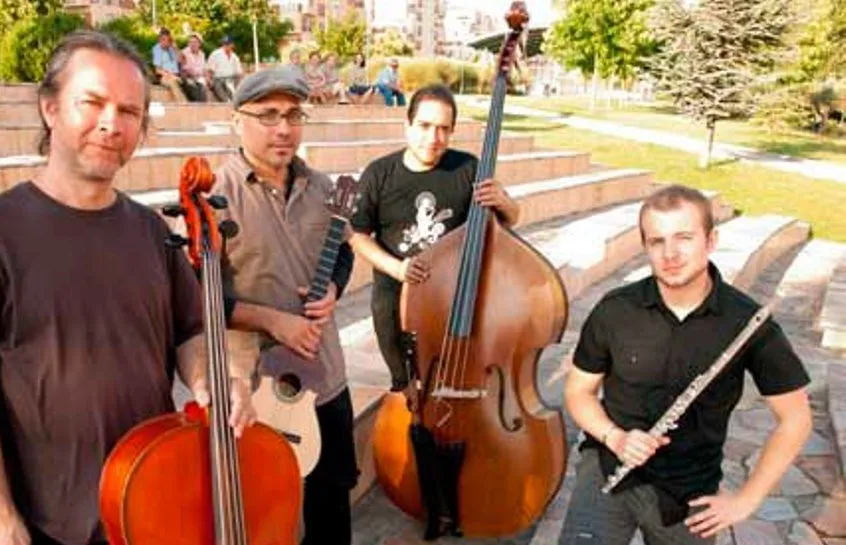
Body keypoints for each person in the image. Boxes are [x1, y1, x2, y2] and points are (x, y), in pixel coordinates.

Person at [0, 31, 256, 545]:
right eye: (92, 102)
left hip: (152, 499)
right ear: (50, 108)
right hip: (55, 523)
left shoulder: (150, 232)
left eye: (129, 111)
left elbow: (189, 333)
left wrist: (212, 376)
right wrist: (1, 515)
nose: (111, 124)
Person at [558, 185, 812, 545]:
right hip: (609, 468)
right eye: (657, 241)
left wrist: (747, 500)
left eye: (684, 238)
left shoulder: (747, 322)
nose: (670, 254)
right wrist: (614, 436)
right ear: (645, 246)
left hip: (691, 490)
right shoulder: (616, 310)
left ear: (711, 241)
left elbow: (796, 419)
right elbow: (578, 391)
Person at [212, 66, 359, 545]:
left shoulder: (322, 188)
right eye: (268, 114)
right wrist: (273, 321)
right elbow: (195, 299)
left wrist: (335, 287)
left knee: (332, 511)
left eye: (294, 114)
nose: (283, 128)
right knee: (262, 516)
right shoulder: (213, 198)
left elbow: (341, 253)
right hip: (255, 392)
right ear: (238, 120)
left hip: (326, 378)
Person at [349, 83, 518, 395]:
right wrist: (397, 269)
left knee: (451, 379)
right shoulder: (379, 173)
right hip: (395, 295)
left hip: (452, 296)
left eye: (443, 129)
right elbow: (357, 235)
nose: (433, 138)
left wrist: (504, 202)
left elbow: (509, 220)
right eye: (424, 126)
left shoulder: (467, 168)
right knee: (405, 386)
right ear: (407, 125)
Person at [151, 27, 188, 102]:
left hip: (176, 76)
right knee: (172, 82)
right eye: (162, 40)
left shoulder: (172, 48)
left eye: (167, 40)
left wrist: (176, 48)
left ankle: (187, 104)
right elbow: (158, 70)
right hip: (164, 76)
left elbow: (183, 62)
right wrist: (171, 75)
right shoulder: (157, 49)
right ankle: (183, 104)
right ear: (159, 39)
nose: (165, 42)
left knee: (187, 83)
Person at [206, 35, 243, 102]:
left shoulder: (235, 57)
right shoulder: (216, 54)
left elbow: (239, 73)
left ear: (232, 45)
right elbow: (210, 70)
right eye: (225, 44)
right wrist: (209, 81)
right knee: (225, 96)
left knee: (234, 87)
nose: (226, 46)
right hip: (218, 80)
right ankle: (227, 102)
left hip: (230, 80)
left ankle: (234, 100)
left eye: (228, 44)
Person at [180, 33, 209, 102]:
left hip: (199, 77)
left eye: (195, 42)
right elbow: (185, 69)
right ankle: (199, 107)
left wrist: (205, 76)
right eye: (191, 42)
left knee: (203, 87)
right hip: (187, 76)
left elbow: (204, 68)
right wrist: (195, 75)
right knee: (192, 86)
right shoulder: (184, 53)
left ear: (199, 44)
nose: (193, 44)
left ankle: (201, 107)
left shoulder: (202, 54)